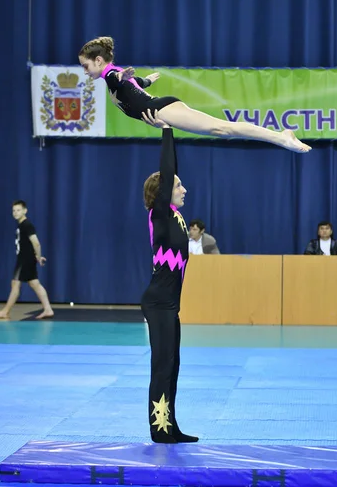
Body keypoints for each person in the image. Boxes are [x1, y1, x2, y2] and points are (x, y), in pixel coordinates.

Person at [78, 36, 312, 153]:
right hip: (163, 111)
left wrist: (122, 77)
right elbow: (135, 85)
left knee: (223, 129)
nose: (85, 72)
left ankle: (282, 137)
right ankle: (281, 137)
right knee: (222, 130)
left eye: (86, 66)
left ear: (99, 60)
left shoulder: (111, 75)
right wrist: (145, 80)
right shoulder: (114, 77)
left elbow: (118, 79)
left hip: (164, 109)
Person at [141, 113, 198, 444]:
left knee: (173, 365)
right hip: (158, 303)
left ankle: (170, 426)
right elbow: (167, 169)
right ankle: (158, 429)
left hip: (169, 305)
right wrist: (167, 130)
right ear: (163, 190)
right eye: (178, 185)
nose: (184, 188)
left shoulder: (176, 218)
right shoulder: (160, 214)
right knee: (162, 366)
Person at [0, 201, 54, 320]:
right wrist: (36, 256)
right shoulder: (21, 225)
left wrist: (38, 257)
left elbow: (36, 243)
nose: (15, 213)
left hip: (24, 261)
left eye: (18, 210)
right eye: (13, 210)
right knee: (34, 283)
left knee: (15, 284)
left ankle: (5, 311)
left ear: (25, 211)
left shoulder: (27, 225)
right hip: (26, 259)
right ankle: (48, 309)